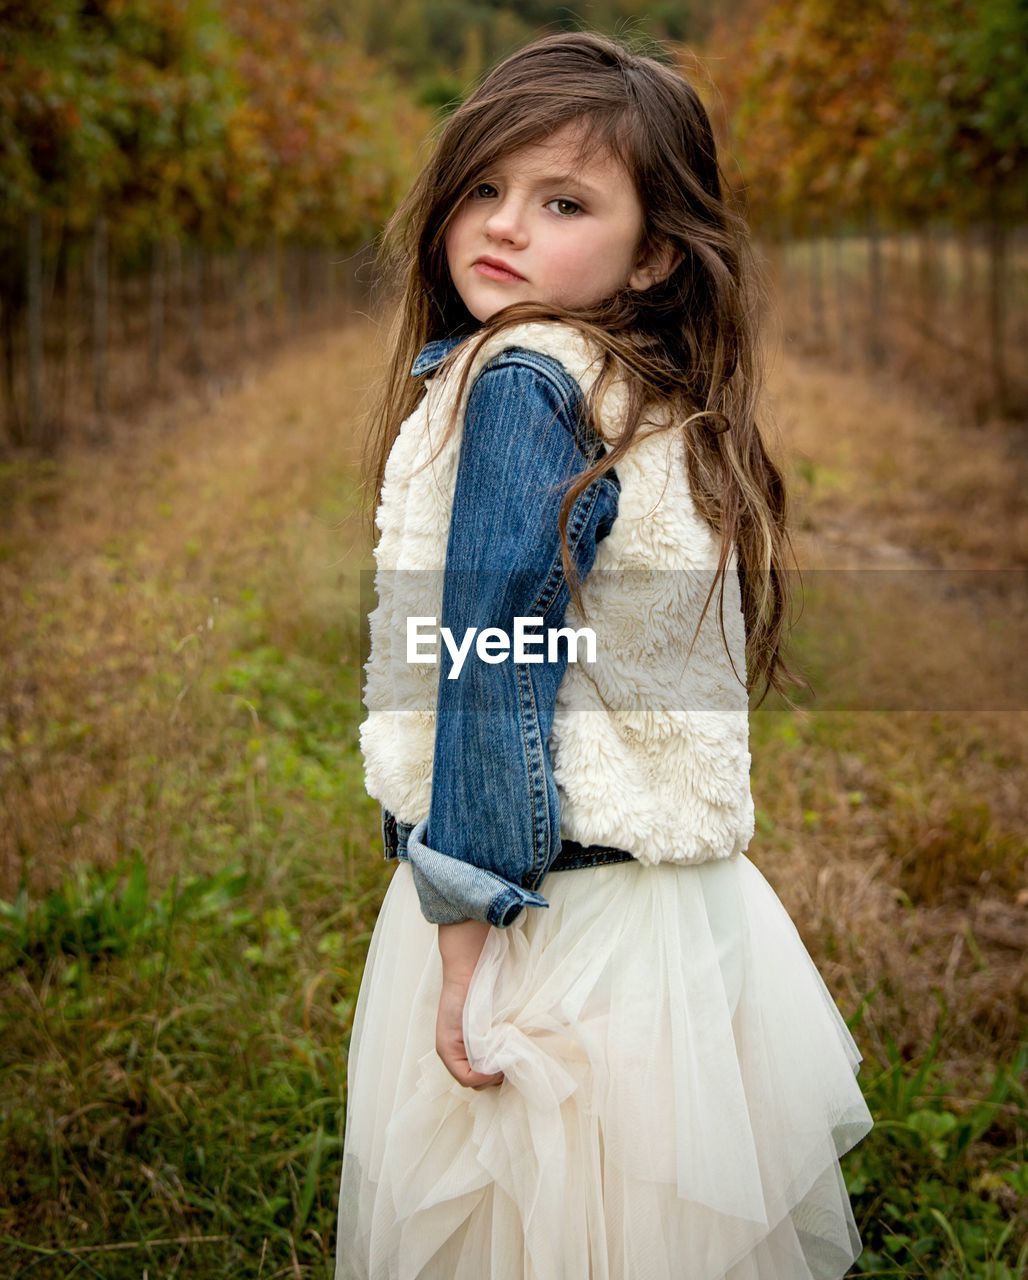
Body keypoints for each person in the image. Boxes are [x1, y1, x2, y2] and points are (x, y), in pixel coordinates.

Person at [333, 28, 874, 1280]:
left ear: (654, 254)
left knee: (537, 1227)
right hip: (667, 905)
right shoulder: (648, 390)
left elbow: (493, 647)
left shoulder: (521, 379)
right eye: (484, 187)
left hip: (546, 899)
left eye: (562, 200)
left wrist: (461, 911)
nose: (501, 224)